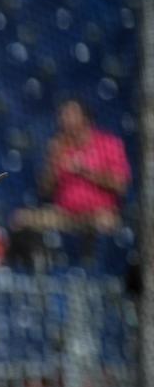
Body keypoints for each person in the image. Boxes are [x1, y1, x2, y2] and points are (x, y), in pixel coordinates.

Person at [9, 98, 132, 271]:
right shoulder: (60, 146)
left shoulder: (108, 143)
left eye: (70, 114)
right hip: (65, 214)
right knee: (20, 219)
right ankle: (34, 274)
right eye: (63, 114)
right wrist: (53, 162)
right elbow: (45, 190)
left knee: (105, 224)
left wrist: (86, 171)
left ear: (85, 118)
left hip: (99, 214)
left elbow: (121, 185)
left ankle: (98, 275)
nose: (64, 119)